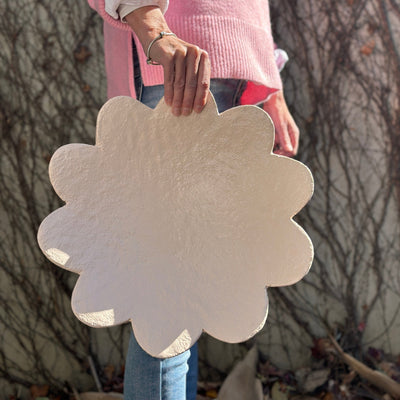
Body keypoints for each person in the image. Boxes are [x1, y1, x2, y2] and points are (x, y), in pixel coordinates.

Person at [87, 1, 300, 398]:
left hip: (232, 65)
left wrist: (270, 79)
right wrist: (151, 25)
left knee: (191, 288)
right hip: (178, 55)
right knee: (166, 300)